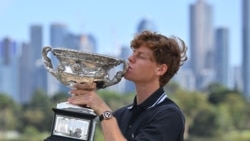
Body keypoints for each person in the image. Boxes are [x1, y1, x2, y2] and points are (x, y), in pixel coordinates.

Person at [68, 30, 188, 141]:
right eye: (133, 53)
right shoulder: (120, 115)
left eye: (140, 56)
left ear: (160, 69)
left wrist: (103, 110)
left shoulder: (169, 115)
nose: (130, 58)